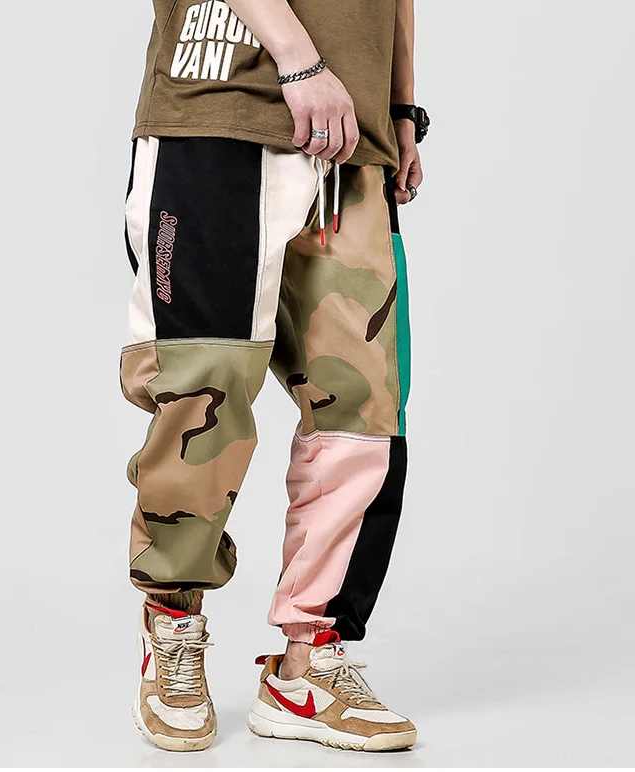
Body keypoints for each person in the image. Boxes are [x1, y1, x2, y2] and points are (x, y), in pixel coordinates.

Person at [121, 0, 429, 753]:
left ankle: (309, 662)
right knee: (205, 384)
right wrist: (298, 59)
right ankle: (173, 624)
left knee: (363, 410)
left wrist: (400, 106)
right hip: (218, 110)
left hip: (350, 135)